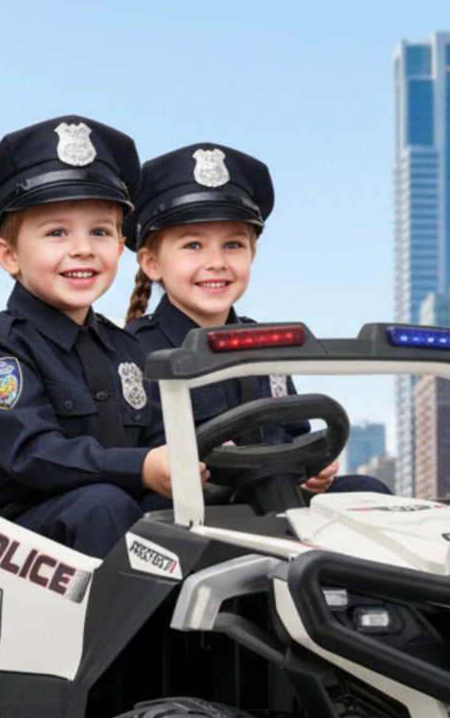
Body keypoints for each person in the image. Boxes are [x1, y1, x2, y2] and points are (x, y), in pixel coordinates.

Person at [0, 114, 201, 558]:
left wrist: (197, 463)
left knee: (193, 512)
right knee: (103, 505)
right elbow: (32, 454)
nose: (83, 249)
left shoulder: (125, 348)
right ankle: (143, 630)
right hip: (11, 544)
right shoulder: (3, 351)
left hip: (105, 526)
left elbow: (156, 439)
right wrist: (141, 467)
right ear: (8, 255)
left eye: (101, 232)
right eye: (56, 233)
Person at [124, 143, 387, 495]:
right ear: (152, 263)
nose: (217, 261)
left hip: (273, 503)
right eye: (193, 246)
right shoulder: (132, 350)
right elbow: (132, 458)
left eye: (233, 245)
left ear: (252, 254)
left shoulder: (268, 347)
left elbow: (296, 437)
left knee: (367, 490)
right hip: (188, 516)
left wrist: (315, 471)